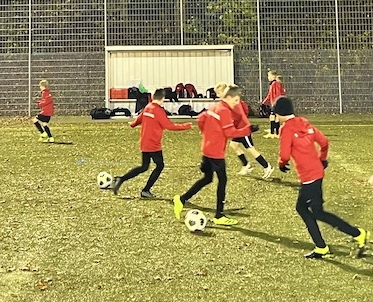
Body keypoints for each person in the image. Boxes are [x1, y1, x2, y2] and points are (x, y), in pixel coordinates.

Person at [274, 96, 369, 259]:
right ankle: (327, 244)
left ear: (280, 113)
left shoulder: (286, 129)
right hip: (317, 172)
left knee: (307, 210)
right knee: (314, 211)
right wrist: (322, 159)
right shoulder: (305, 123)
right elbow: (324, 142)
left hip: (308, 176)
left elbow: (284, 154)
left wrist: (281, 163)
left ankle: (350, 236)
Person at [173, 84, 242, 226]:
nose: (237, 103)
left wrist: (205, 133)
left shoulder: (214, 107)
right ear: (228, 97)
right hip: (216, 152)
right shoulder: (224, 111)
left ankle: (182, 199)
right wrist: (248, 130)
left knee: (207, 178)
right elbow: (230, 133)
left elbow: (201, 119)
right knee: (222, 180)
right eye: (236, 100)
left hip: (207, 149)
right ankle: (219, 216)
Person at [112, 87, 192, 198]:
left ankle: (121, 179)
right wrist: (185, 126)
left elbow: (139, 119)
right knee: (160, 166)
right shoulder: (159, 111)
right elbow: (169, 126)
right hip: (154, 145)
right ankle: (145, 190)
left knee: (144, 166)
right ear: (162, 98)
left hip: (144, 143)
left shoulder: (148, 107)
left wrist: (132, 124)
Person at [228, 85, 273, 179]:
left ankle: (267, 166)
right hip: (238, 130)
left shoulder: (238, 104)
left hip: (243, 130)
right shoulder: (235, 103)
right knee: (233, 145)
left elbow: (240, 115)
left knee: (251, 149)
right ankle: (246, 165)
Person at [261, 70, 285, 136]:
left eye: (269, 76)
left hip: (276, 103)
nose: (268, 77)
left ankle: (274, 132)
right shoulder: (272, 84)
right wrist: (264, 103)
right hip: (274, 103)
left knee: (273, 117)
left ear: (273, 76)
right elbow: (269, 95)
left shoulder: (275, 84)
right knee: (274, 117)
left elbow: (278, 94)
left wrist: (277, 103)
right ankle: (275, 132)